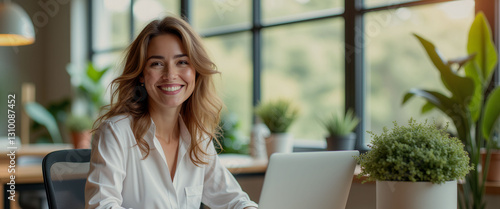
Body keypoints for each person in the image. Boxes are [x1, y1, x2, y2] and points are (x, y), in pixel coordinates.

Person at [85, 16, 258, 209]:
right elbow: (101, 205)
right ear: (141, 74)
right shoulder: (116, 132)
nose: (170, 75)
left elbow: (233, 199)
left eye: (182, 62)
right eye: (157, 64)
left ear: (195, 71)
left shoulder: (197, 138)